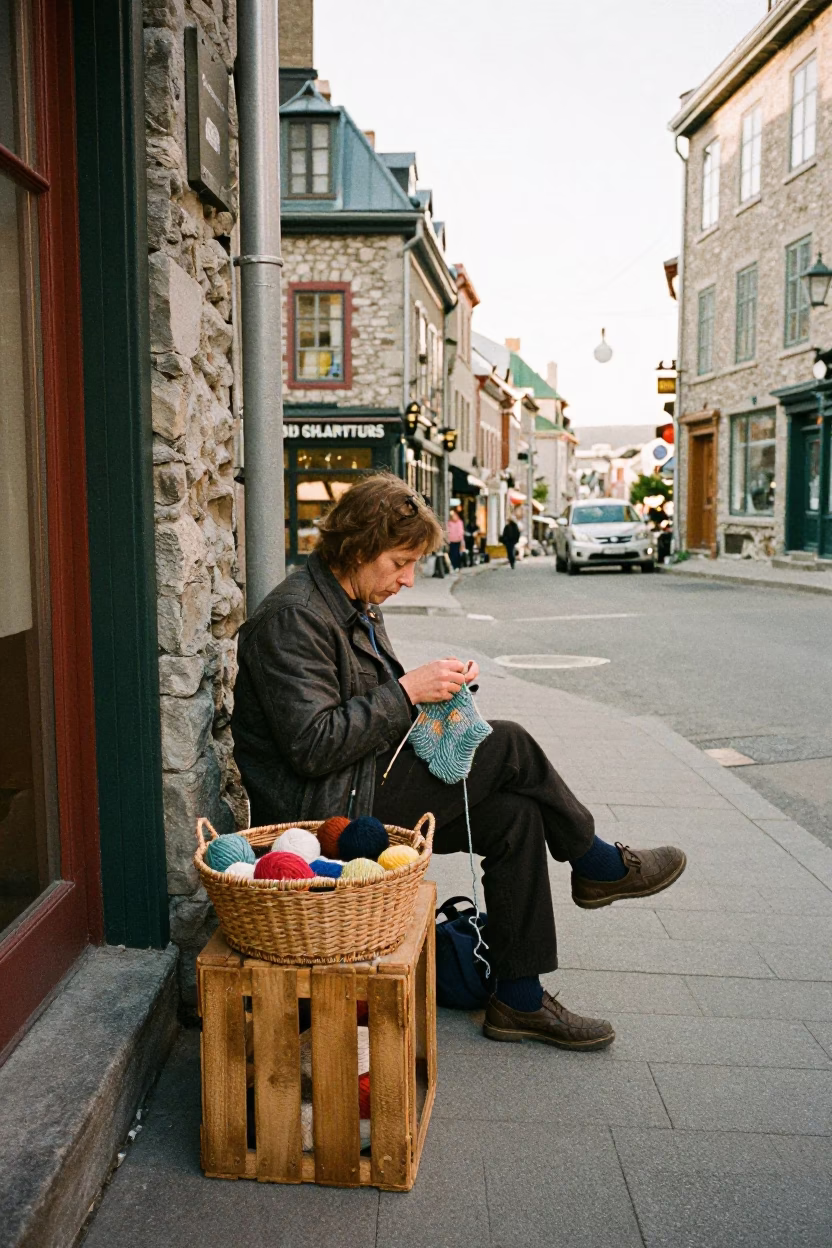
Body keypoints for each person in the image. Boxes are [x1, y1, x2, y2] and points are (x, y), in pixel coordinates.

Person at [232, 474, 685, 1051]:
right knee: (509, 742)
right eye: (400, 562)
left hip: (359, 784)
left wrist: (433, 692)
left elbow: (359, 715)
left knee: (515, 815)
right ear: (358, 546)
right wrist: (408, 691)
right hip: (322, 817)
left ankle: (518, 1000)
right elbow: (313, 745)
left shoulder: (350, 600)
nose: (408, 578)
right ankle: (595, 862)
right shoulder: (292, 618)